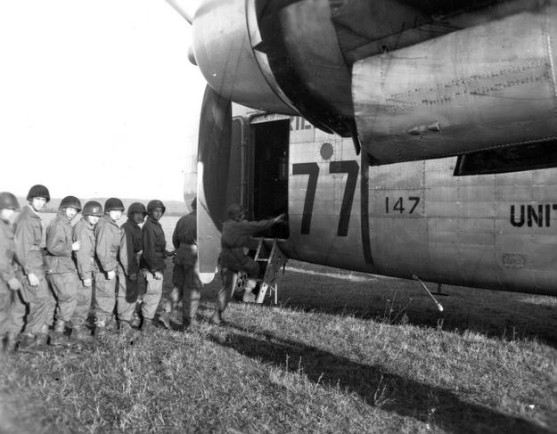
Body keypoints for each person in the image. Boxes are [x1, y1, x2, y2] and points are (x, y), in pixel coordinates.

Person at [211, 204, 284, 325]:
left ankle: (218, 314)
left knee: (227, 287)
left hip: (225, 257)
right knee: (253, 268)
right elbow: (258, 225)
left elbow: (243, 238)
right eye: (242, 214)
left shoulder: (227, 225)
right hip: (235, 257)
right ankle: (248, 291)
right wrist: (274, 220)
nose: (244, 215)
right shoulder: (241, 226)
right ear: (238, 216)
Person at [13, 184, 56, 352]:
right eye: (37, 199)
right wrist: (29, 272)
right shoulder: (26, 219)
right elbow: (21, 248)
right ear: (30, 199)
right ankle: (28, 340)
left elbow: (35, 247)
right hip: (29, 268)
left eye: (43, 200)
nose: (40, 202)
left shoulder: (32, 217)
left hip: (34, 266)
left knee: (36, 302)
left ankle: (26, 339)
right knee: (41, 301)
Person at [45, 195, 82, 347]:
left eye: (75, 210)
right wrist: (71, 248)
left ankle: (45, 331)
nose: (73, 212)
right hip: (60, 267)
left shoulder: (64, 222)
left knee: (56, 298)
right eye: (70, 209)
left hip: (59, 266)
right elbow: (52, 247)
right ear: (63, 208)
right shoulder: (59, 223)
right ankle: (58, 333)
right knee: (68, 297)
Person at [160, 197, 201, 330]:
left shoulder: (183, 219)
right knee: (192, 290)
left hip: (181, 255)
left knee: (178, 287)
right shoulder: (202, 221)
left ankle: (166, 314)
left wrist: (181, 249)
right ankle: (188, 322)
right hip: (194, 256)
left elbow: (175, 239)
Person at [93, 198, 129, 336]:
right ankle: (100, 329)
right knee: (104, 297)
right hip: (104, 267)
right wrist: (108, 268)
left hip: (108, 264)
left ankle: (105, 325)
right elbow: (103, 249)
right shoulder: (106, 225)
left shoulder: (109, 224)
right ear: (107, 211)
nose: (118, 214)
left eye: (120, 211)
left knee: (107, 296)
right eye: (115, 211)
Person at [72, 200, 104, 342]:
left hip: (83, 268)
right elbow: (83, 254)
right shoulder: (83, 229)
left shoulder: (87, 227)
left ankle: (78, 327)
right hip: (82, 270)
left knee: (83, 299)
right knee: (83, 300)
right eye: (92, 215)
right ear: (85, 214)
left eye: (97, 216)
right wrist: (86, 276)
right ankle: (76, 330)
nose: (95, 218)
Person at [140, 199, 169, 331]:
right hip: (152, 266)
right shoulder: (149, 227)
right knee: (152, 293)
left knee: (154, 292)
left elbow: (157, 247)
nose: (158, 213)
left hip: (157, 263)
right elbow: (148, 250)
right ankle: (146, 323)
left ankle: (145, 319)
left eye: (160, 211)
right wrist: (154, 269)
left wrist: (168, 253)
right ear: (150, 212)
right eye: (155, 211)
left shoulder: (156, 225)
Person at [118, 202, 147, 331]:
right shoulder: (127, 228)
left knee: (132, 292)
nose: (140, 216)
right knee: (127, 293)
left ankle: (126, 318)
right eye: (137, 214)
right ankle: (123, 322)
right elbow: (125, 252)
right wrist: (130, 270)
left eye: (142, 214)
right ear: (131, 214)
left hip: (132, 263)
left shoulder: (135, 228)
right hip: (127, 265)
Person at [0, 192, 22, 355]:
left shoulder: (5, 227)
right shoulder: (1, 229)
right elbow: (1, 258)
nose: (10, 213)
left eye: (12, 210)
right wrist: (9, 278)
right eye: (6, 209)